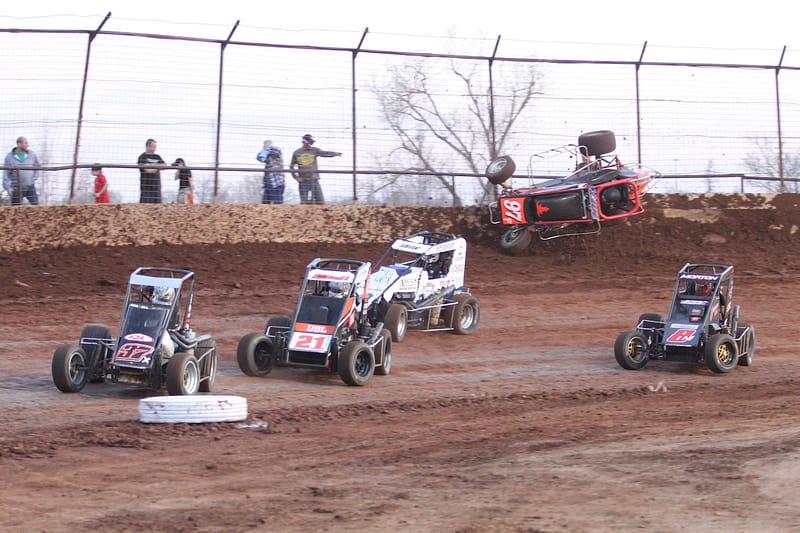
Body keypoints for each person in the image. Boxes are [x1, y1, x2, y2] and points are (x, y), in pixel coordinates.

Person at [289, 134, 342, 205]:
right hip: (303, 181)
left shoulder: (314, 150)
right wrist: (296, 177)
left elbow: (324, 153)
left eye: (311, 142)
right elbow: (291, 166)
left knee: (320, 201)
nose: (311, 144)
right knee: (304, 202)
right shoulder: (297, 152)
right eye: (310, 142)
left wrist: (334, 153)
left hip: (314, 179)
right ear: (304, 142)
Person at [3, 136, 41, 206]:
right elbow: (6, 174)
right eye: (25, 143)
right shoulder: (9, 157)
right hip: (16, 188)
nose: (27, 145)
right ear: (19, 144)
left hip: (30, 187)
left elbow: (37, 166)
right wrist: (8, 188)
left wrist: (34, 178)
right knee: (15, 210)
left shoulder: (32, 154)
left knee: (36, 206)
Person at [137, 138, 166, 203]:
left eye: (155, 147)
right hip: (146, 187)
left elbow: (164, 165)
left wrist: (153, 166)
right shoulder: (142, 157)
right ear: (147, 146)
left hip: (156, 187)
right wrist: (156, 166)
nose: (154, 149)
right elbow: (147, 170)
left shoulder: (157, 156)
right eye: (153, 147)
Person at [257, 140, 285, 204]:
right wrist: (264, 151)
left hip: (277, 182)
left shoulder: (276, 152)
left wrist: (268, 149)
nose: (263, 147)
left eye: (264, 146)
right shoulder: (267, 155)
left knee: (277, 203)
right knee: (265, 204)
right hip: (268, 182)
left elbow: (277, 151)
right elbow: (259, 157)